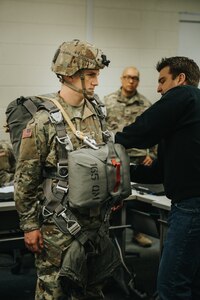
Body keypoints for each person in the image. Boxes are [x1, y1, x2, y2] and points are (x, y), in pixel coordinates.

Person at [14, 39, 124, 300]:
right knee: (55, 290)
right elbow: (25, 179)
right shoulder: (43, 121)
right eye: (91, 75)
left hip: (97, 222)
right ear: (69, 75)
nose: (97, 82)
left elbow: (105, 158)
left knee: (93, 288)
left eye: (97, 74)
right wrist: (29, 226)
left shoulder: (98, 113)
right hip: (58, 226)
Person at [115, 56, 200, 299]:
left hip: (191, 207)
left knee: (171, 286)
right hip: (193, 203)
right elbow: (161, 169)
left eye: (163, 81)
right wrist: (127, 171)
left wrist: (110, 146)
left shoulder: (185, 95)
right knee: (192, 282)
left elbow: (142, 130)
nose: (158, 88)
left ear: (181, 79)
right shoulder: (189, 110)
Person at [104, 66, 157, 247]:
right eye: (127, 77)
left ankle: (138, 232)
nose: (130, 81)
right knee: (113, 196)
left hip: (138, 158)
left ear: (138, 81)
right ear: (121, 78)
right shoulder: (107, 102)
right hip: (115, 158)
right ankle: (110, 234)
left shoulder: (145, 104)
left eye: (134, 78)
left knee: (139, 199)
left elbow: (156, 132)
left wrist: (153, 154)